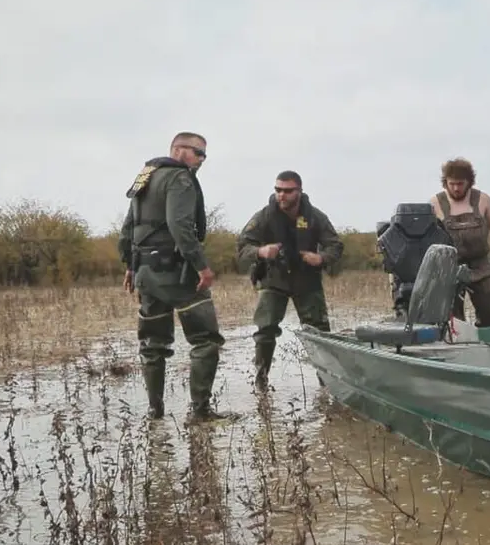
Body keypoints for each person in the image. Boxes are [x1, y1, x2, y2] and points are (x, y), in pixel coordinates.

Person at [117, 131, 228, 423]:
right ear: (181, 150)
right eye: (199, 153)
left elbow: (128, 227)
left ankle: (155, 411)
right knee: (206, 340)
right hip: (176, 273)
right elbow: (180, 226)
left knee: (153, 345)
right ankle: (200, 411)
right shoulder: (180, 178)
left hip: (145, 272)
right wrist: (202, 267)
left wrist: (130, 265)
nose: (202, 160)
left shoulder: (145, 176)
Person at [237, 170, 344, 387]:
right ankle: (261, 381)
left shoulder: (315, 217)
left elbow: (336, 245)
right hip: (274, 277)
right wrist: (261, 252)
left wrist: (321, 257)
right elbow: (242, 246)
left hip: (307, 279)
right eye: (278, 190)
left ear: (299, 191)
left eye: (287, 191)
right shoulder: (264, 216)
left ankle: (328, 383)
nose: (281, 195)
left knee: (319, 333)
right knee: (265, 330)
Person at [429, 158, 490, 327]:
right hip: (449, 268)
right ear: (445, 182)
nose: (456, 188)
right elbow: (428, 238)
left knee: (488, 314)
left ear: (469, 182)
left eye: (460, 184)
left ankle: (488, 346)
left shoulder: (482, 200)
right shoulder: (435, 203)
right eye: (451, 183)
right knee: (453, 320)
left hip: (481, 265)